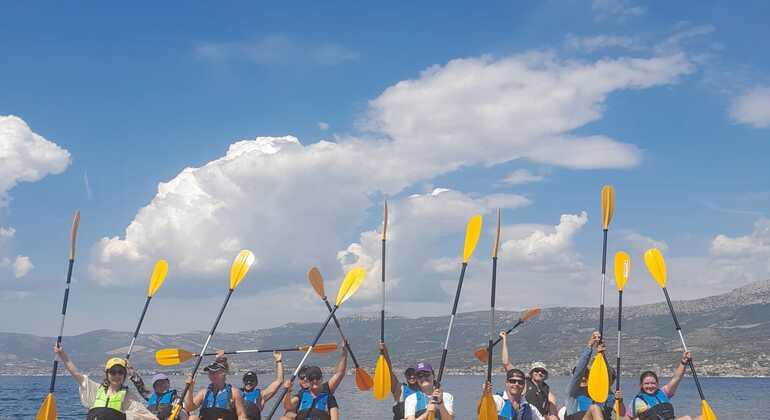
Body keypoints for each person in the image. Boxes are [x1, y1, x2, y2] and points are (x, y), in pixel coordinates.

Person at [52, 343, 156, 420]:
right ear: (107, 374)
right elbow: (76, 374)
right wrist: (62, 355)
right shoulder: (96, 390)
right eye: (113, 372)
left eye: (120, 372)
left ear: (124, 375)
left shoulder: (128, 397)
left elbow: (149, 418)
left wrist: (126, 416)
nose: (117, 375)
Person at [563, 332, 624, 420]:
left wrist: (602, 354)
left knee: (596, 408)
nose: (583, 378)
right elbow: (578, 372)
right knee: (594, 408)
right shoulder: (572, 392)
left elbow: (607, 377)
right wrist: (589, 347)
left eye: (587, 375)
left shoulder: (599, 393)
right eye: (582, 376)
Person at [624, 351, 701, 420]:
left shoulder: (664, 392)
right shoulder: (637, 402)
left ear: (657, 384)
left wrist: (683, 362)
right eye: (646, 384)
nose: (650, 386)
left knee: (704, 417)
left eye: (653, 383)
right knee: (686, 418)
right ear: (641, 385)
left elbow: (676, 378)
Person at [281, 342, 348, 420]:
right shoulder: (302, 394)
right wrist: (287, 391)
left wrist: (344, 354)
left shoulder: (328, 394)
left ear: (322, 378)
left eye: (317, 377)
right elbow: (287, 406)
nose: (315, 380)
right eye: (312, 378)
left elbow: (339, 374)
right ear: (308, 381)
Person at [501, 331, 559, 420]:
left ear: (545, 375)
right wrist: (504, 340)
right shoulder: (522, 383)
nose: (539, 373)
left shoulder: (547, 392)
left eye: (542, 371)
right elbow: (506, 363)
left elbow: (553, 413)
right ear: (531, 373)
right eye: (536, 370)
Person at [184, 355, 247, 420]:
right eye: (210, 372)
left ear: (223, 373)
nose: (212, 375)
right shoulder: (203, 393)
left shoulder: (234, 393)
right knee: (193, 418)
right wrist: (190, 389)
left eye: (215, 372)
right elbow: (189, 408)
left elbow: (242, 415)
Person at [480, 368, 544, 420]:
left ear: (524, 385)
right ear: (506, 383)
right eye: (512, 381)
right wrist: (485, 394)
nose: (516, 384)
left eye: (520, 382)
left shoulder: (531, 409)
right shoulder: (496, 400)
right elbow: (482, 410)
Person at [379, 342, 419, 420]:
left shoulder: (423, 391)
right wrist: (384, 352)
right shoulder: (400, 388)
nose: (412, 376)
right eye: (409, 374)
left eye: (414, 374)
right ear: (405, 376)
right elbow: (389, 371)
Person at [240, 351, 285, 420]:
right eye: (247, 380)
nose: (249, 382)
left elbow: (279, 381)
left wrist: (278, 360)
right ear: (243, 381)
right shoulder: (236, 393)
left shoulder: (261, 395)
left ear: (256, 383)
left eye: (252, 380)